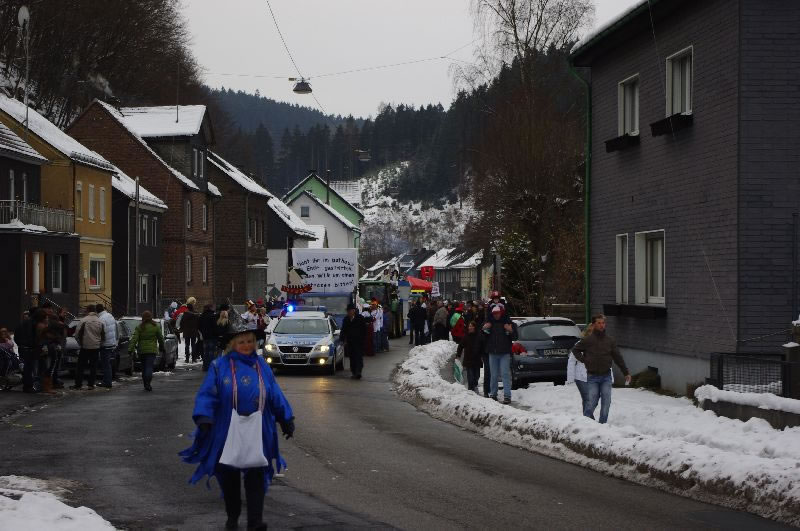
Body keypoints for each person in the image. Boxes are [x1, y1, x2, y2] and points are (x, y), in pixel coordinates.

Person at [180, 323, 294, 531]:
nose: (246, 345)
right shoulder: (220, 366)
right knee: (229, 474)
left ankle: (255, 521)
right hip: (227, 428)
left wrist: (286, 417)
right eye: (241, 342)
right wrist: (204, 417)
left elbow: (274, 393)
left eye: (250, 341)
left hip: (259, 429)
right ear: (233, 344)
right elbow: (208, 393)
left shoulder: (262, 365)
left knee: (256, 475)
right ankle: (232, 516)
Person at [571, 314, 631, 424]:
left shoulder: (610, 340)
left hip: (606, 376)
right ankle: (586, 423)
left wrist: (625, 372)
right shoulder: (588, 340)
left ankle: (602, 425)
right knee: (591, 402)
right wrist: (584, 360)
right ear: (594, 324)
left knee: (606, 401)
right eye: (599, 323)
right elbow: (575, 350)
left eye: (603, 323)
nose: (601, 325)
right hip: (592, 376)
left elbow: (618, 357)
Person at [482, 304, 517, 404]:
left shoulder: (508, 323)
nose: (496, 315)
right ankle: (493, 394)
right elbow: (482, 338)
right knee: (494, 375)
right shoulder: (489, 323)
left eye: (498, 313)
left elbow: (515, 337)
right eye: (494, 313)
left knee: (505, 374)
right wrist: (483, 329)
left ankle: (507, 396)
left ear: (501, 313)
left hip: (504, 353)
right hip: (492, 353)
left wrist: (510, 330)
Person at [128, 311, 165, 391]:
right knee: (149, 367)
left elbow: (134, 339)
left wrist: (130, 349)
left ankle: (145, 383)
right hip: (152, 351)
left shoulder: (139, 327)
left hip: (142, 351)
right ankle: (148, 383)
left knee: (144, 367)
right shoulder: (155, 327)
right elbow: (160, 338)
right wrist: (162, 347)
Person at [73, 305, 105, 390]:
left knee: (80, 366)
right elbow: (103, 335)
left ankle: (78, 384)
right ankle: (91, 384)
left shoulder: (84, 320)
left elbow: (77, 334)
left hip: (85, 347)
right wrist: (99, 344)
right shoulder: (100, 321)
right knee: (93, 366)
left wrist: (81, 344)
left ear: (87, 310)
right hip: (96, 347)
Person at [340, 303, 367, 379]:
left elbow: (364, 329)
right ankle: (354, 372)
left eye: (350, 311)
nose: (349, 312)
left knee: (358, 357)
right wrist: (342, 339)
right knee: (352, 357)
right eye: (348, 311)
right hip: (350, 342)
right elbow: (343, 330)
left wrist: (363, 339)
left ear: (354, 311)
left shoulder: (360, 318)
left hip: (359, 342)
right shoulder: (346, 319)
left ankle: (358, 372)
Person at [457, 321, 485, 393]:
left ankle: (475, 385)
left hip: (477, 359)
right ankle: (470, 389)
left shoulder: (480, 336)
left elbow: (483, 346)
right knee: (470, 376)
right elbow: (460, 346)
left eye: (472, 326)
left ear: (475, 327)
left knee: (477, 375)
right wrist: (458, 354)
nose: (470, 327)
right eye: (469, 326)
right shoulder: (466, 336)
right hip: (468, 359)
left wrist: (483, 355)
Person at [96, 304, 117, 388]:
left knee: (105, 364)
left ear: (97, 311)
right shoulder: (110, 315)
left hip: (105, 344)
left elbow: (102, 332)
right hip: (111, 343)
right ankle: (107, 380)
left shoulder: (101, 319)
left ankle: (107, 382)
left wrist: (99, 342)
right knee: (107, 364)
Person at [198, 304, 219, 372]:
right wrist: (216, 334)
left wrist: (203, 332)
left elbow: (199, 326)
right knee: (212, 353)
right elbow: (215, 327)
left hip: (205, 337)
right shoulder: (212, 316)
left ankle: (205, 367)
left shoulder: (202, 316)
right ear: (210, 308)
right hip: (212, 336)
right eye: (213, 307)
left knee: (206, 353)